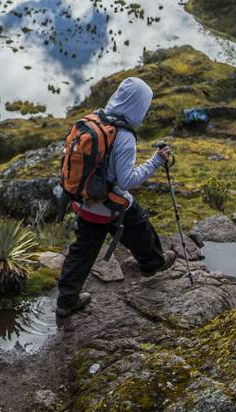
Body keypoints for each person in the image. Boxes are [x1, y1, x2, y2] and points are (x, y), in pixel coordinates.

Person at [56, 77, 174, 318]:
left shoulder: (95, 119)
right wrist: (156, 161)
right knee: (138, 223)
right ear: (137, 105)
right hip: (109, 205)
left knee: (82, 251)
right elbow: (126, 181)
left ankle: (66, 300)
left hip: (83, 200)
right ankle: (152, 264)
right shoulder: (124, 137)